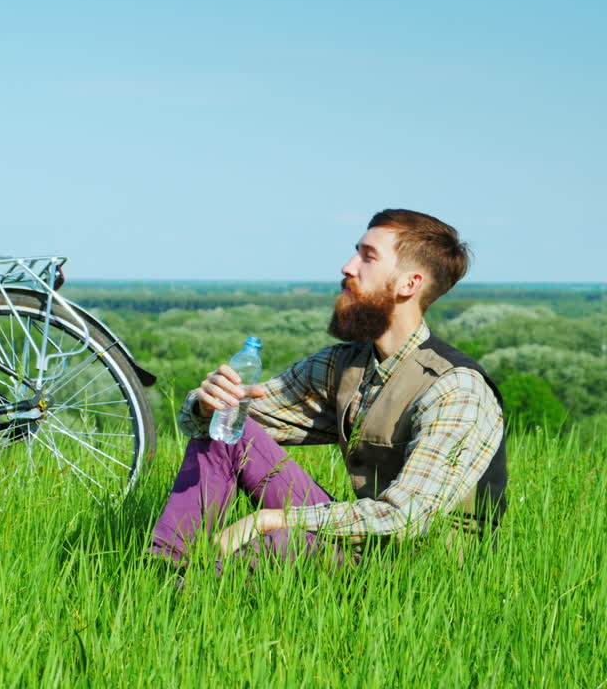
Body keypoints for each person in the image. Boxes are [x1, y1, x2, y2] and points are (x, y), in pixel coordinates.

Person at [152, 209, 506, 571]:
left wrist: (270, 519)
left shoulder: (455, 388)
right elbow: (238, 422)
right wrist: (212, 408)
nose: (348, 267)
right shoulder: (344, 364)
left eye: (368, 256)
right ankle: (162, 571)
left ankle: (190, 591)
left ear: (408, 285)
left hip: (425, 569)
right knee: (225, 434)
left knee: (277, 543)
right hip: (362, 546)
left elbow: (405, 520)